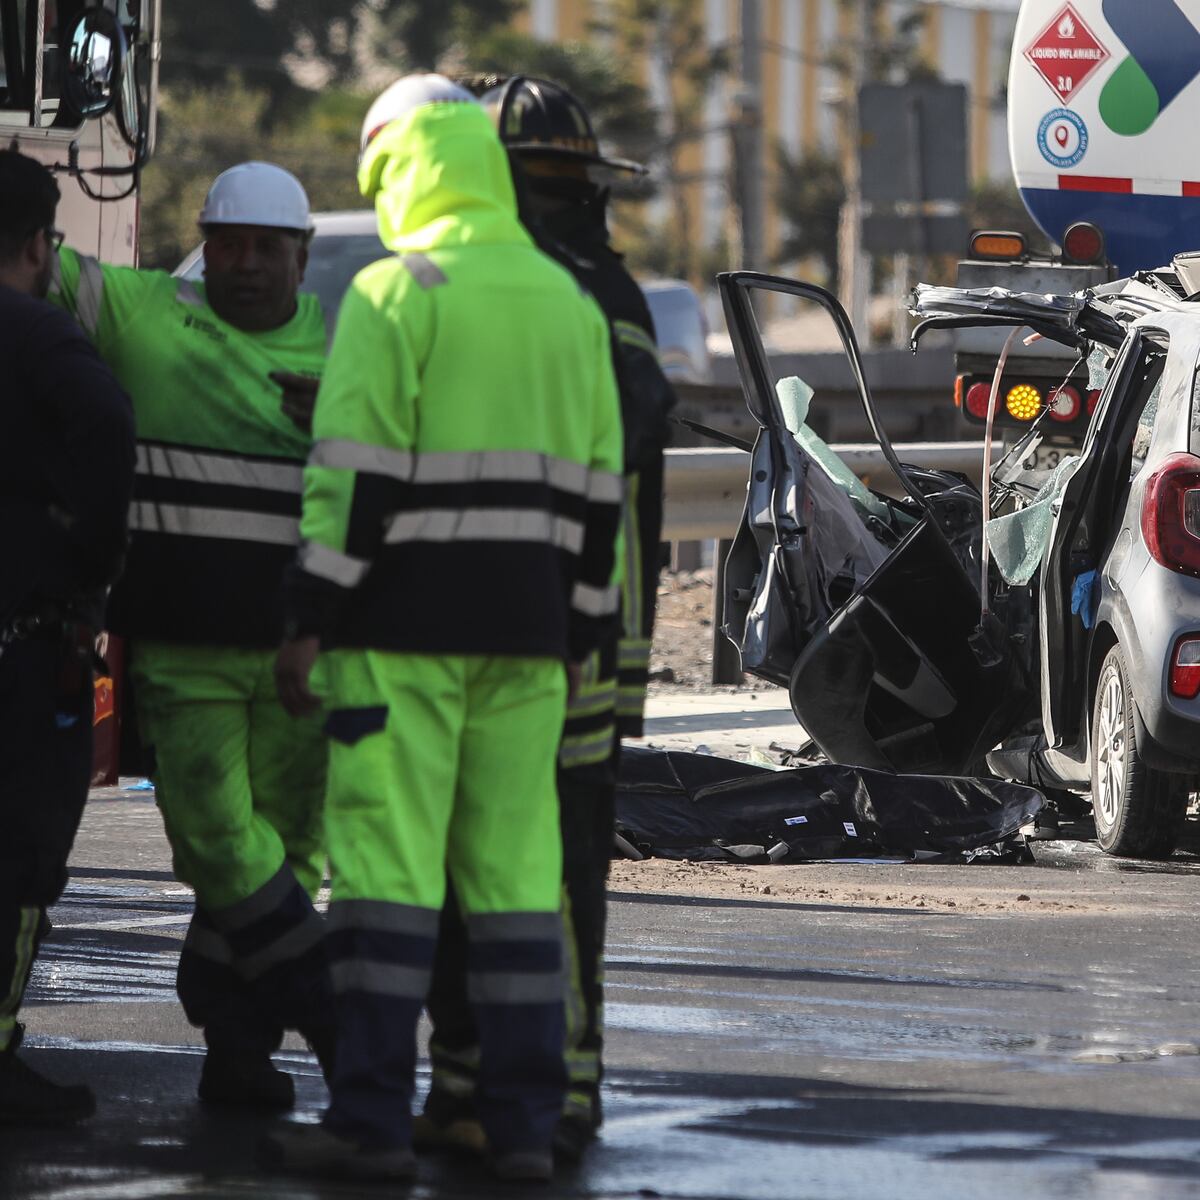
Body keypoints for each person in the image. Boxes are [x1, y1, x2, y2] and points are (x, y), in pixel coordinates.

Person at [269, 74, 623, 1184]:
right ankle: (522, 1129)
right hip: (530, 645)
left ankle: (368, 1121)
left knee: (384, 877)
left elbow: (352, 480)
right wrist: (581, 634)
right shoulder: (568, 303)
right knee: (518, 883)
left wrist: (308, 620)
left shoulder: (393, 293)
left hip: (398, 641)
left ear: (393, 170)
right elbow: (598, 497)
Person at [419, 74, 674, 1160]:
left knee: (505, 866)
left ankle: (525, 1087)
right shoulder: (609, 294)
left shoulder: (541, 295)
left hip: (535, 633)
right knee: (542, 872)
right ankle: (516, 1083)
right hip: (581, 631)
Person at [49, 162, 335, 1110]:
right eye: (225, 245)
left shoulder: (346, 361)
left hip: (301, 657)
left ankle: (237, 1052)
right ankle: (328, 1002)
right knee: (215, 838)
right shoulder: (142, 316)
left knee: (283, 849)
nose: (244, 265)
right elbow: (30, 260)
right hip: (183, 651)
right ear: (200, 245)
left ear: (303, 256)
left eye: (265, 249)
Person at [0, 150, 135, 1123]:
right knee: (19, 858)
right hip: (23, 646)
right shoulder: (48, 345)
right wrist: (86, 574)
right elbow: (106, 427)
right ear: (40, 243)